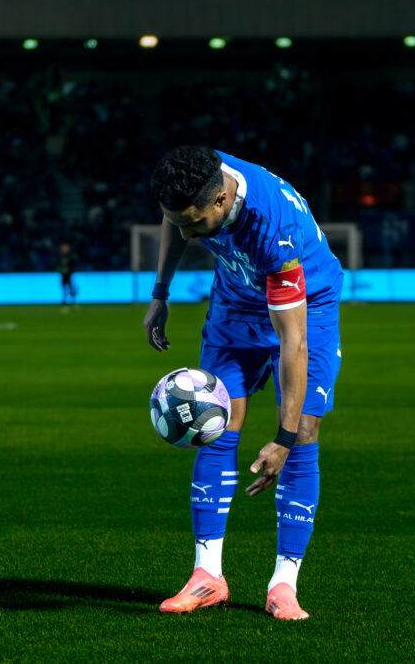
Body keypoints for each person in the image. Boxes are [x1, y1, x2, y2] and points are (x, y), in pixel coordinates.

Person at [144, 146, 343, 621]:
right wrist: (160, 294)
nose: (187, 233)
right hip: (236, 299)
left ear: (220, 203)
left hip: (305, 303)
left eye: (194, 223)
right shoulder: (197, 178)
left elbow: (293, 342)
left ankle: (284, 584)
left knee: (304, 436)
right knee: (216, 421)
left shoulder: (271, 229)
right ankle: (207, 576)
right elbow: (175, 223)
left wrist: (283, 437)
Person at [58, 242, 78, 310]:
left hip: (69, 275)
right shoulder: (60, 256)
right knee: (64, 289)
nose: (65, 249)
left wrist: (70, 271)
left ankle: (73, 302)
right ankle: (64, 302)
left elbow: (73, 265)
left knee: (71, 288)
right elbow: (56, 265)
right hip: (63, 275)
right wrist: (61, 270)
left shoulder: (70, 256)